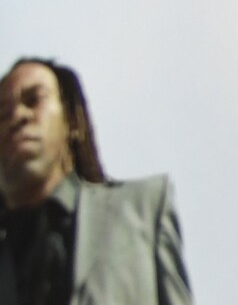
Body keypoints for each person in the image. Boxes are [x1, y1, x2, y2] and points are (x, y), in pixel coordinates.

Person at [1, 58, 193, 305]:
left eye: (34, 99)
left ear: (72, 121)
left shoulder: (139, 211)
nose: (18, 116)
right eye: (2, 114)